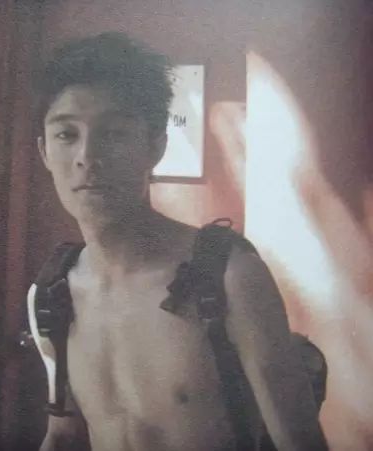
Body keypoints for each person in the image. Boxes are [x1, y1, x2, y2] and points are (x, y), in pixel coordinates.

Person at [28, 32, 328, 451]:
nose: (87, 156)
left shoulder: (228, 278)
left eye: (114, 133)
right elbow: (61, 434)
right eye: (66, 135)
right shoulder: (52, 295)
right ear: (44, 151)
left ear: (156, 145)